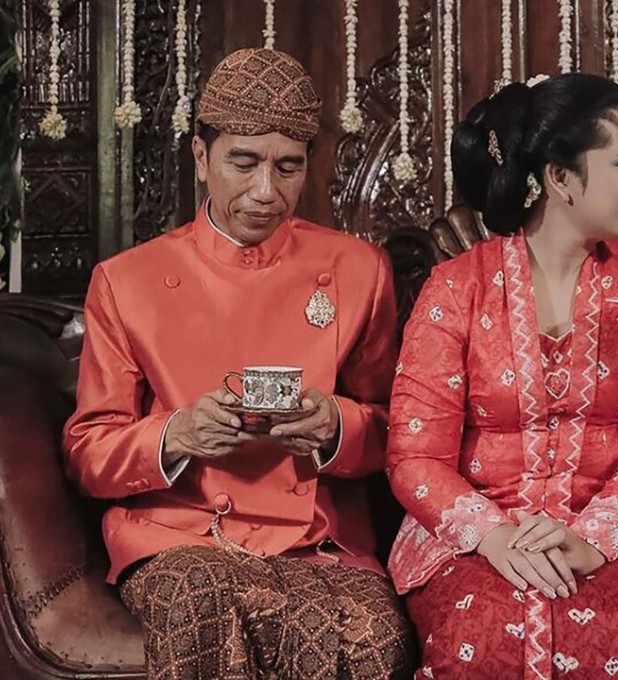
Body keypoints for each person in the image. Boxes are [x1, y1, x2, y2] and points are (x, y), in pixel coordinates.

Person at [63, 48, 414, 679]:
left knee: (371, 635)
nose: (265, 192)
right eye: (243, 163)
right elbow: (90, 451)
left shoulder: (359, 270)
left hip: (318, 541)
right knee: (198, 599)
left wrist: (336, 428)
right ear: (202, 158)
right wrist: (176, 434)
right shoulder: (126, 281)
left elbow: (402, 431)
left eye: (288, 168)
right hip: (178, 536)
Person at [386, 73, 618, 679]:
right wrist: (495, 539)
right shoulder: (455, 288)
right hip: (473, 538)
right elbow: (414, 455)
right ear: (560, 179)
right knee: (479, 632)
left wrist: (594, 540)